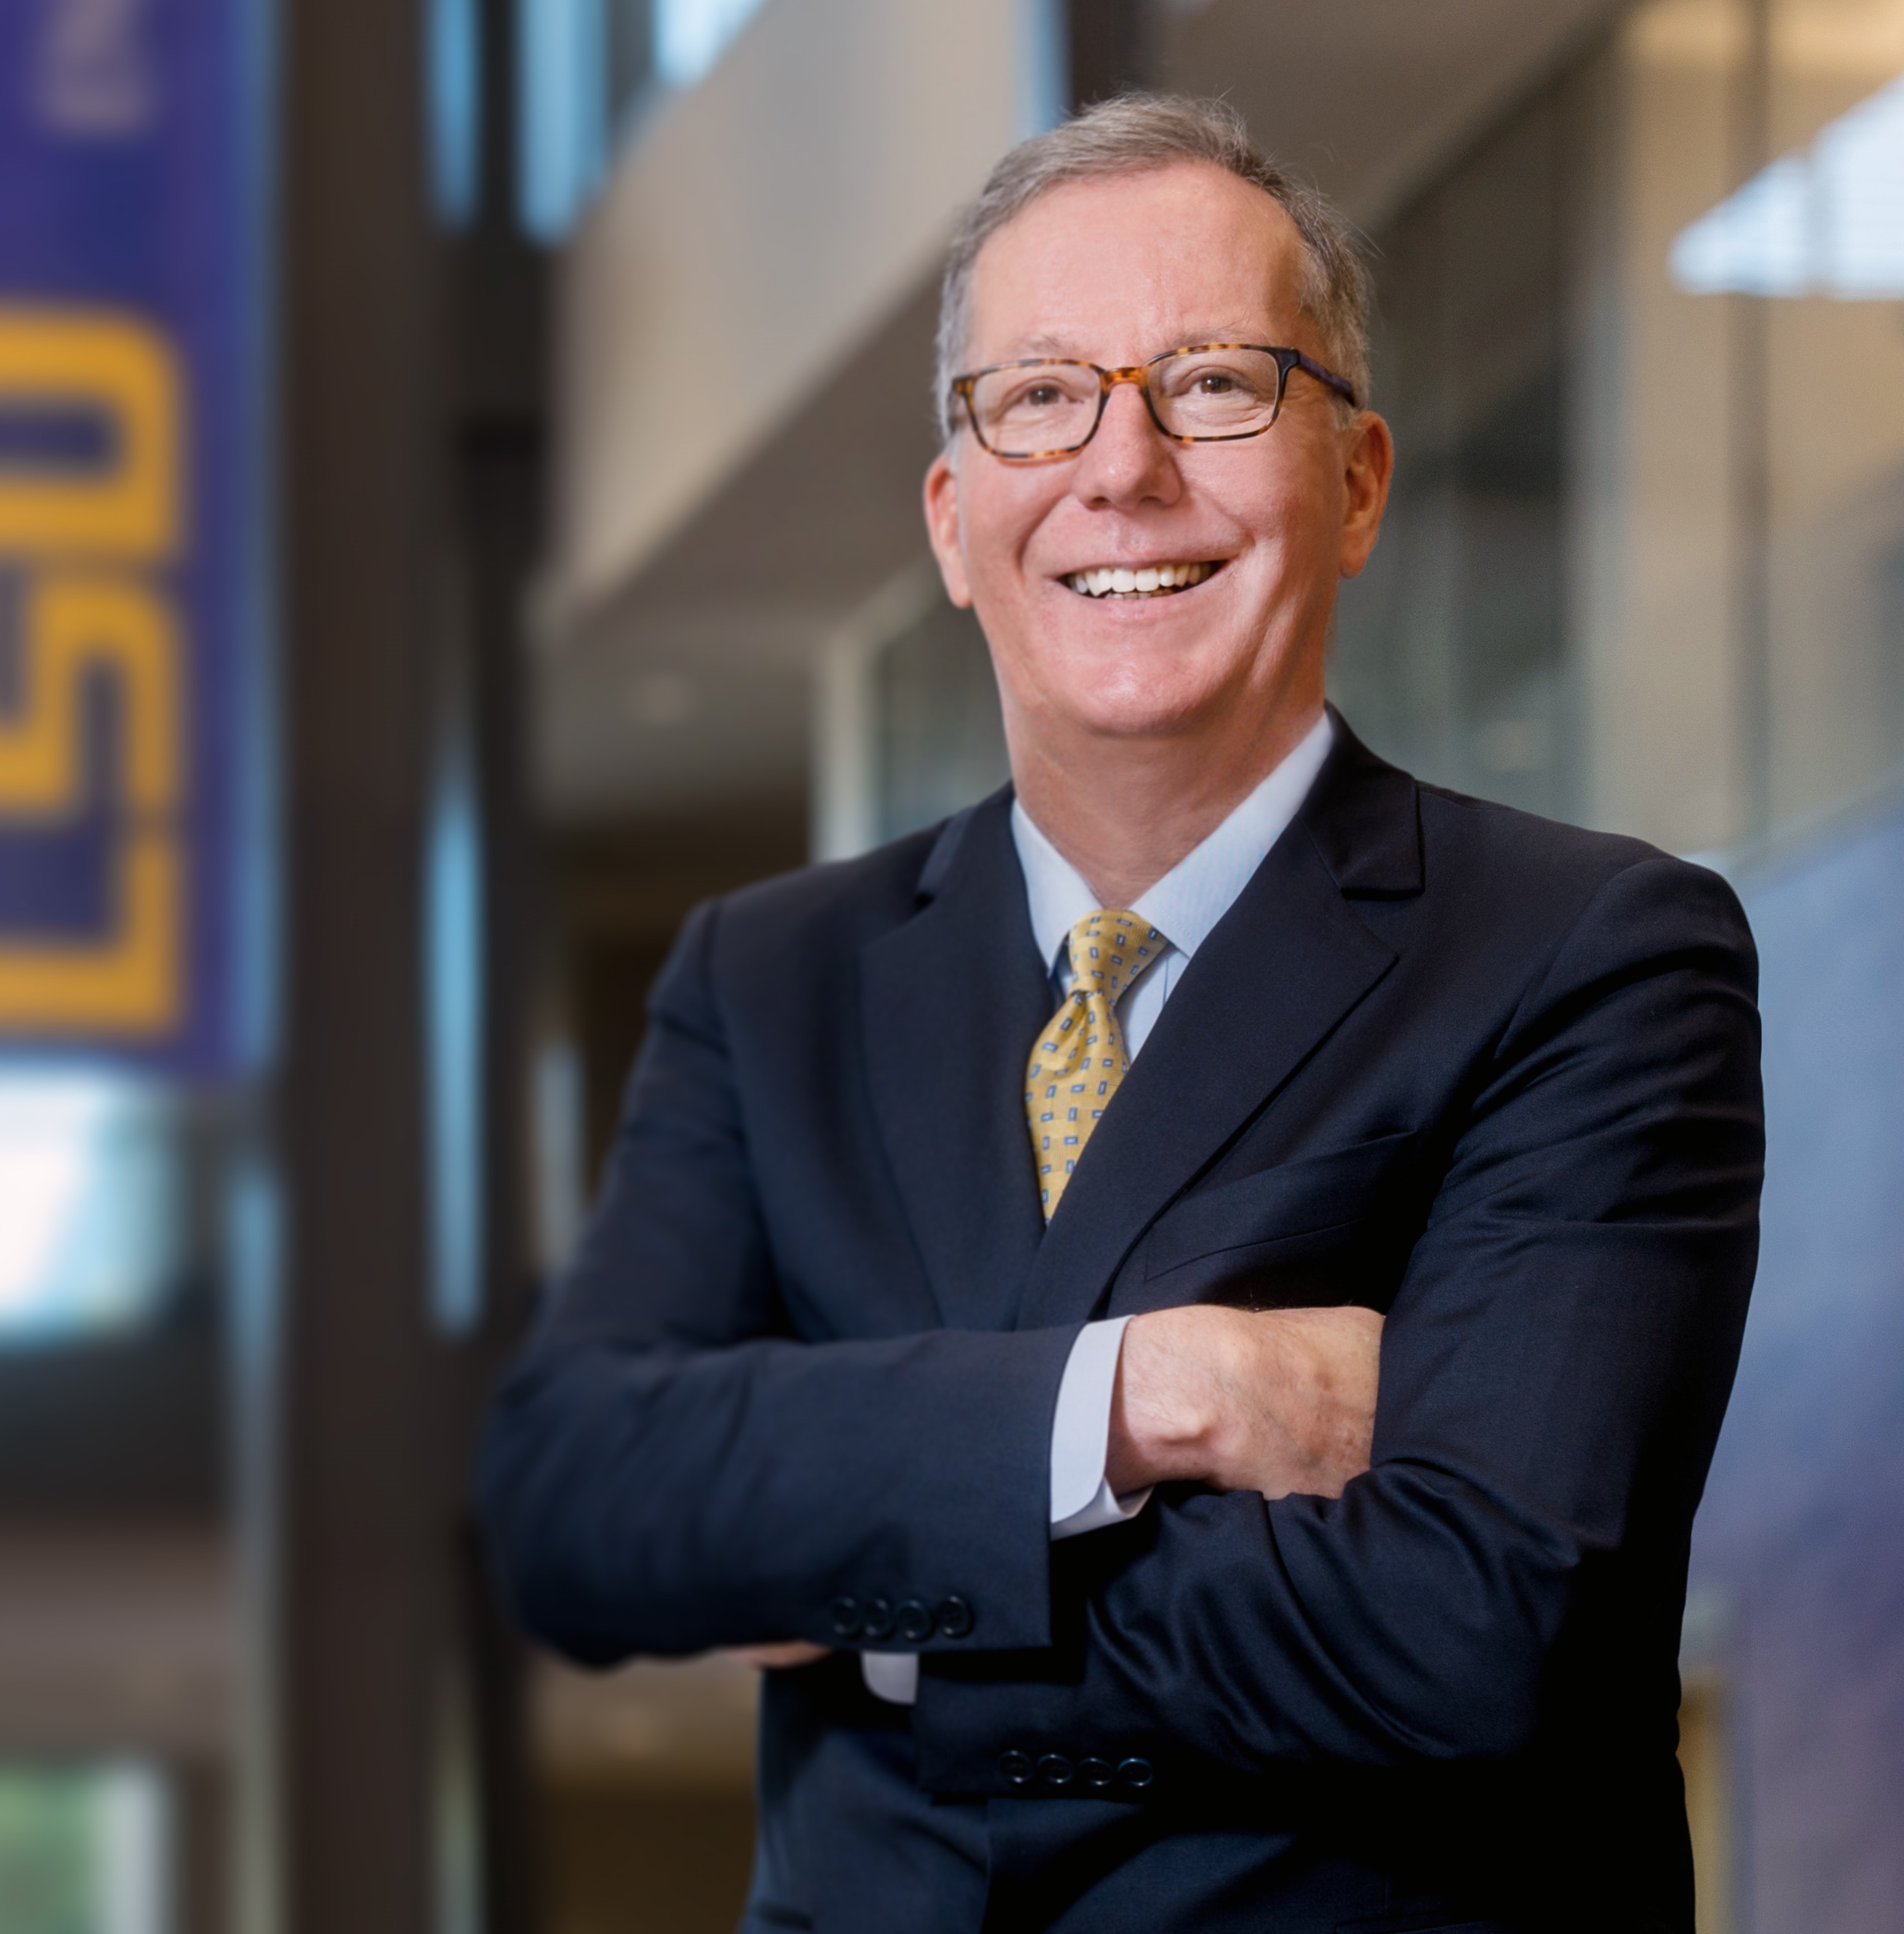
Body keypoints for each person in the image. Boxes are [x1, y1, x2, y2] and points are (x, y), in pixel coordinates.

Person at [480, 94, 1762, 1933]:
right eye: (1042, 396)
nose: (1125, 466)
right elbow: (580, 1507)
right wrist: (1151, 1397)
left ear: (1360, 479)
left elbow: (1480, 1634)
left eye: (1219, 384)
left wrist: (876, 1577)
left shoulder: (1594, 957)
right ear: (954, 514)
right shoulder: (769, 979)